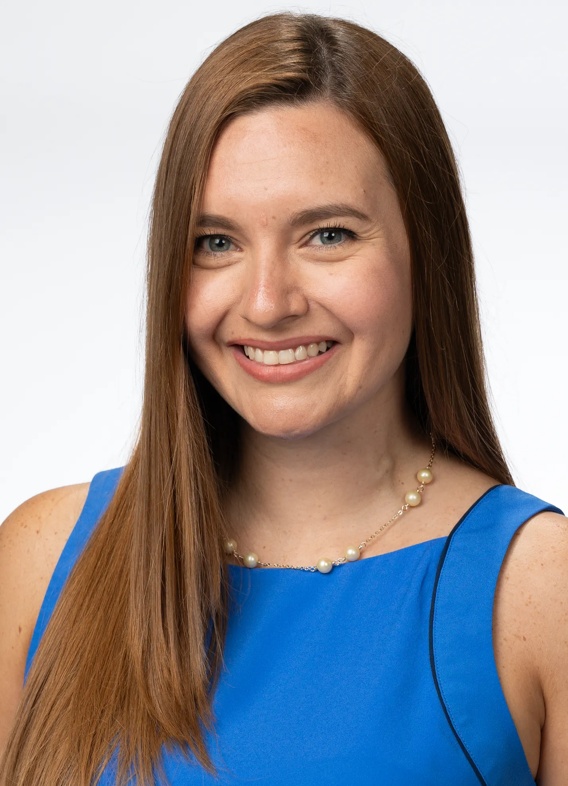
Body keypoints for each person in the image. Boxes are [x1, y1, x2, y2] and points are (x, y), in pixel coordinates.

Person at [0, 11, 566, 786]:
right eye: (217, 242)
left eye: (327, 234)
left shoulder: (537, 591)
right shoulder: (42, 563)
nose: (266, 302)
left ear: (424, 253)